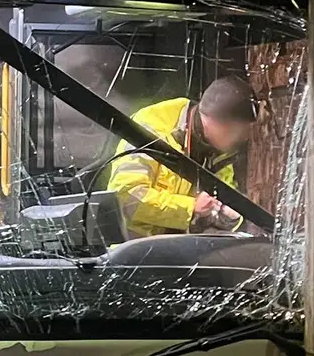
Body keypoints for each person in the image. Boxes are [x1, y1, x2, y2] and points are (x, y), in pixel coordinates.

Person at [105, 75, 257, 239]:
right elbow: (127, 198)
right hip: (131, 251)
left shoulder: (219, 149)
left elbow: (220, 200)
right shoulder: (150, 131)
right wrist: (191, 207)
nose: (243, 138)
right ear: (215, 122)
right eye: (238, 132)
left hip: (180, 250)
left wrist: (228, 215)